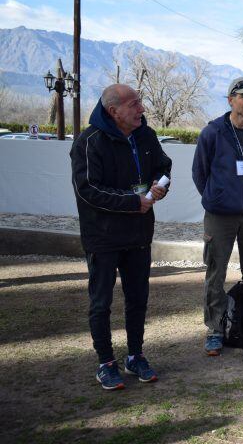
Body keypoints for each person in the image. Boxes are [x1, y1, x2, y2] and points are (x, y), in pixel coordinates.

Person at [71, 83, 172, 390]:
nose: (142, 108)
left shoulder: (146, 135)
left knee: (138, 299)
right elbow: (88, 189)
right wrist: (133, 202)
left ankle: (135, 355)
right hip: (102, 237)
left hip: (139, 233)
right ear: (114, 111)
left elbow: (163, 166)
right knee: (101, 302)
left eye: (140, 101)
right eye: (134, 103)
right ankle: (105, 362)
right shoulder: (88, 142)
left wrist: (160, 185)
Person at [192, 77, 243, 356]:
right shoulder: (213, 132)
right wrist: (216, 198)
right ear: (230, 100)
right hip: (220, 216)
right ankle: (215, 330)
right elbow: (200, 173)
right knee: (216, 273)